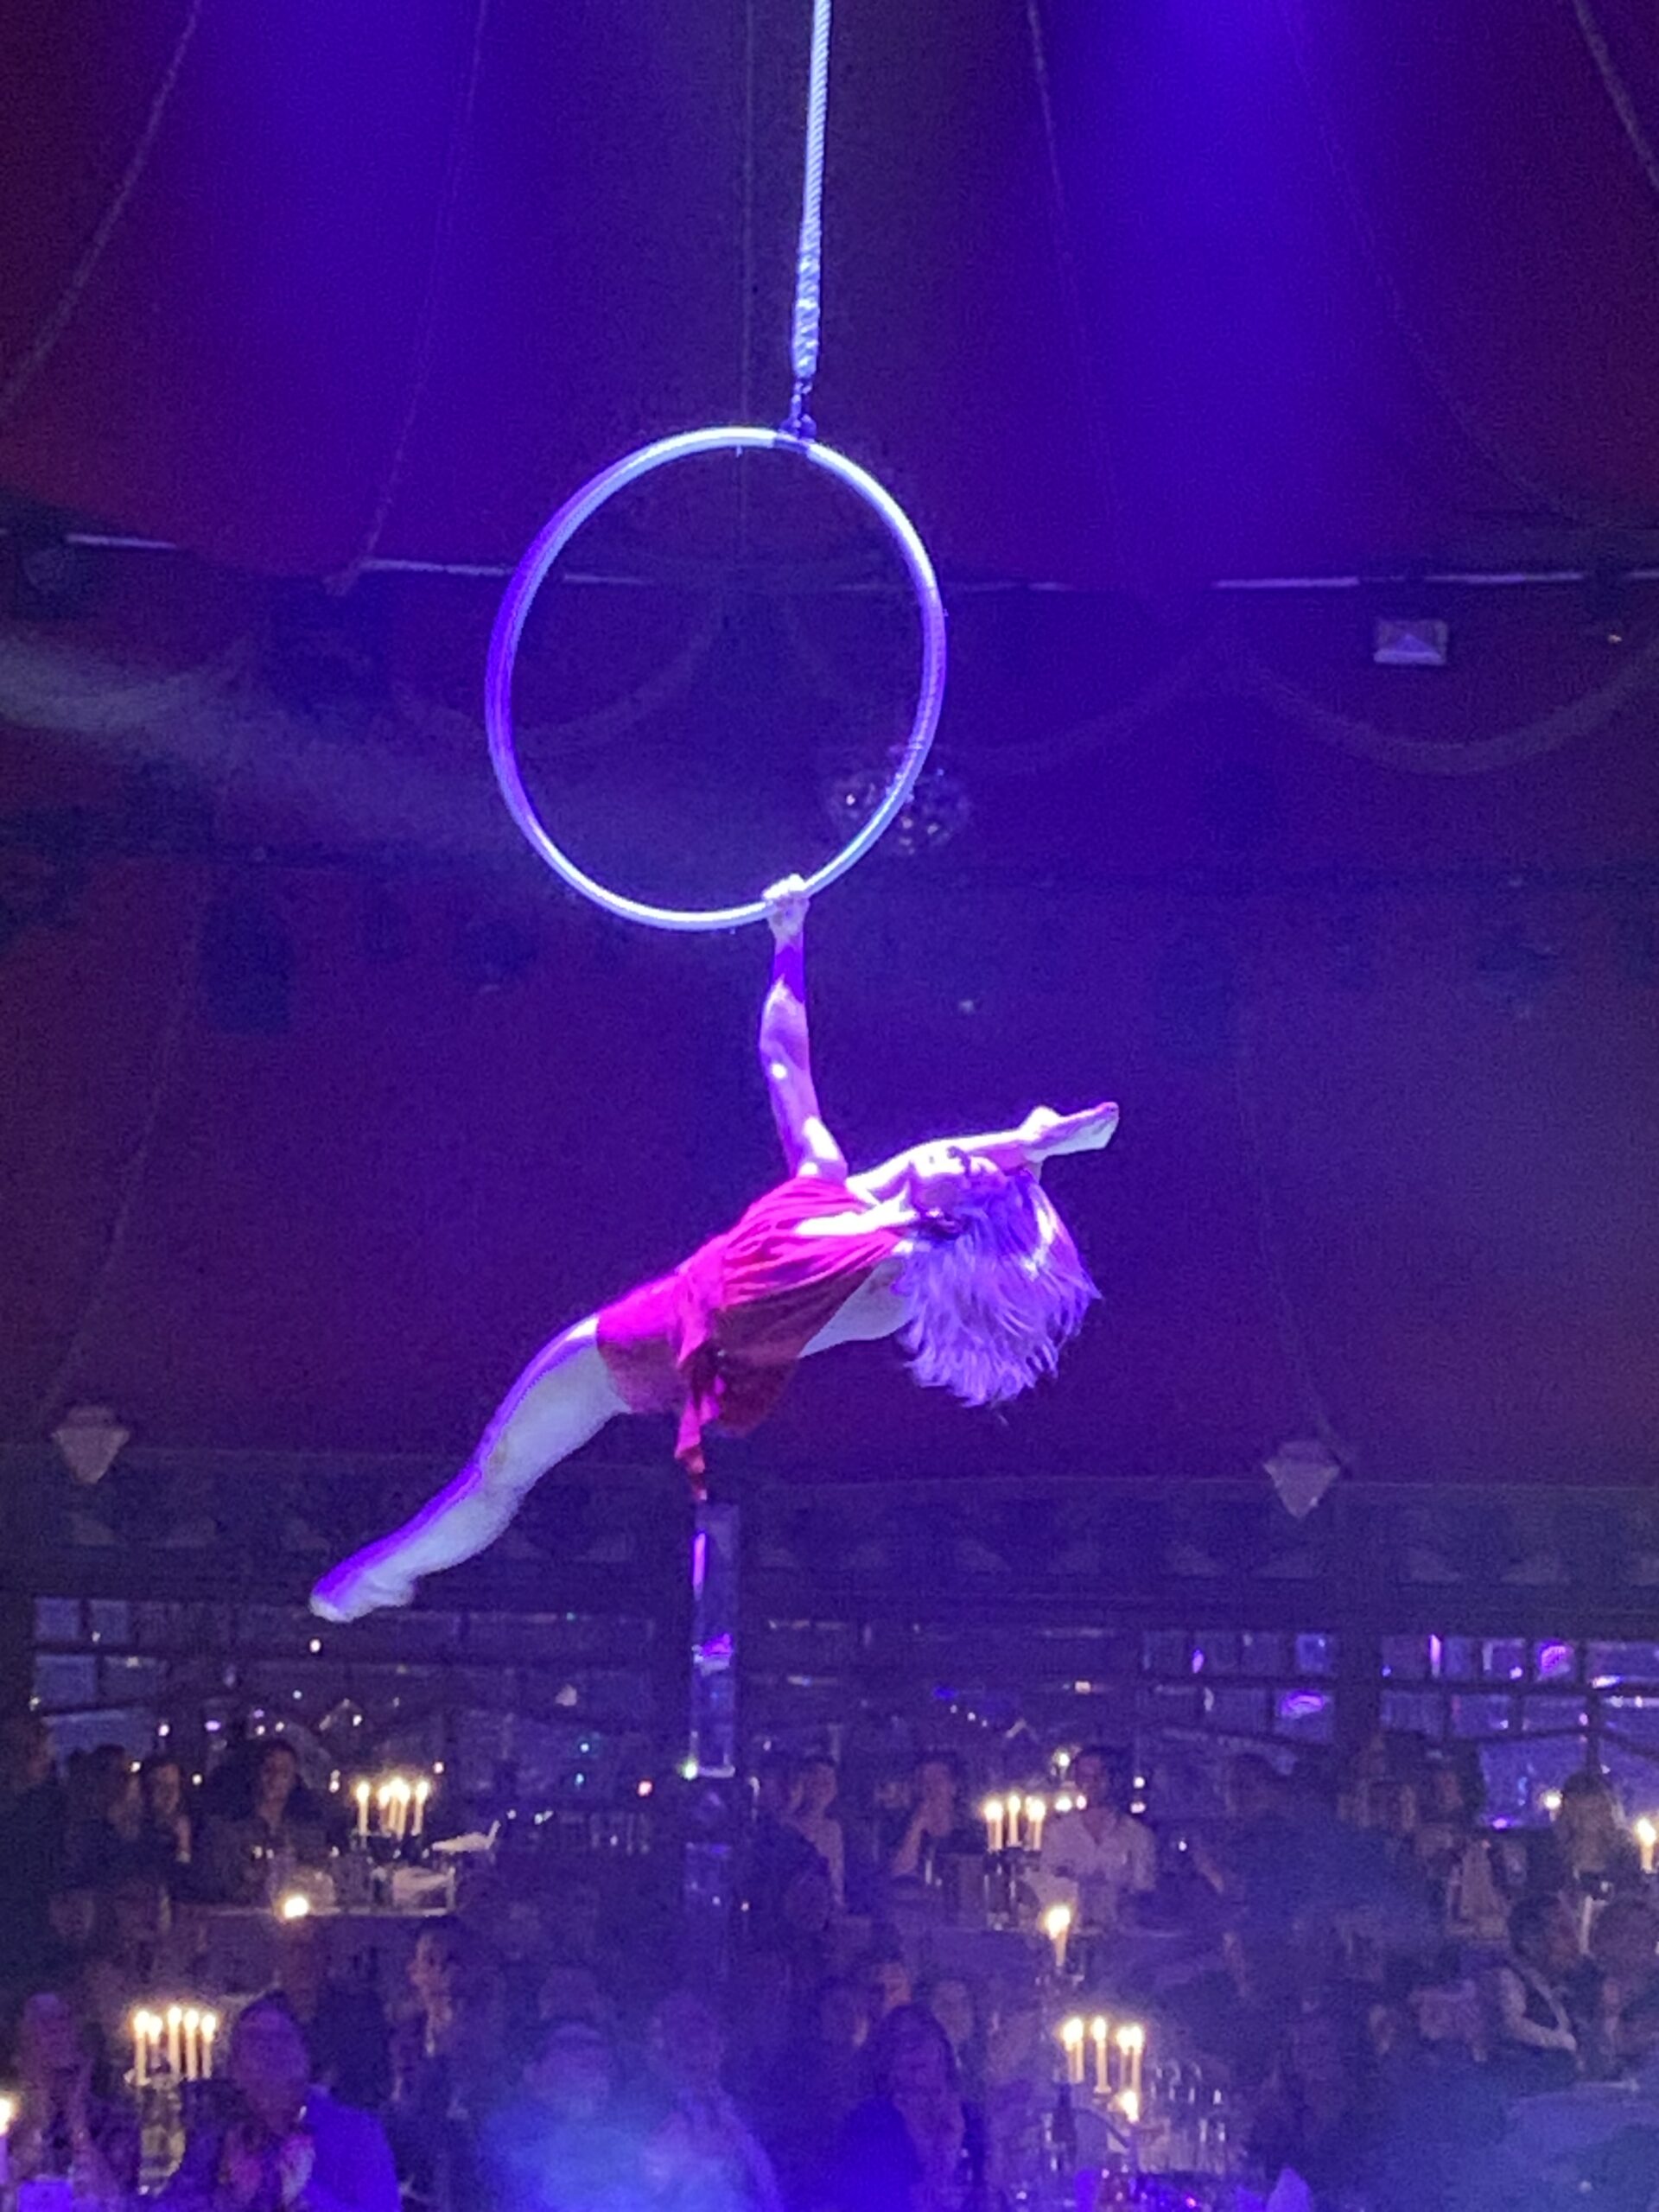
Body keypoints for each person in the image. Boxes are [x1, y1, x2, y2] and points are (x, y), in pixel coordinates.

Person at [312, 880, 1115, 1620]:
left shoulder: (892, 1276)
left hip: (642, 1356)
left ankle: (382, 1576)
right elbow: (784, 1060)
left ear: (955, 1221)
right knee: (495, 1474)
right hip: (640, 1328)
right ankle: (390, 1575)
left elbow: (940, 1189)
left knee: (498, 1475)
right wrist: (788, 941)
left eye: (968, 1171)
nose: (955, 1152)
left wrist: (1034, 1149)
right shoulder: (829, 1184)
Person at [157, 1993, 399, 2212]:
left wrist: (304, 2194)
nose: (269, 2051)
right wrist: (232, 2198)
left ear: (305, 2057)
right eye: (255, 2039)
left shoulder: (354, 2133)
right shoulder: (217, 2139)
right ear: (235, 2068)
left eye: (281, 2038)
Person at [827, 2004, 989, 2212]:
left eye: (919, 2037)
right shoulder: (868, 2124)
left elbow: (991, 2192)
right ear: (886, 2062)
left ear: (942, 2048)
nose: (911, 2048)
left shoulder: (972, 2119)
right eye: (898, 2042)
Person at [639, 1989, 784, 2212]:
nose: (697, 2050)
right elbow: (648, 2193)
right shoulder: (645, 2118)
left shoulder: (749, 2111)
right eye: (684, 2040)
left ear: (721, 2044)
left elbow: (768, 2189)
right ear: (661, 2052)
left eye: (704, 2036)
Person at [481, 2015, 640, 2212]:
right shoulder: (507, 2133)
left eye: (598, 2048)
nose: (590, 2055)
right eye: (572, 2047)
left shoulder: (625, 2139)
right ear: (533, 2072)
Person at [2, 1988, 139, 2208]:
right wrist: (37, 2118)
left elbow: (115, 2197)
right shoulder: (8, 2121)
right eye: (42, 2024)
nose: (56, 2033)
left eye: (63, 2021)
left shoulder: (113, 2119)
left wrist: (78, 2125)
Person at [1038, 1746, 1156, 1933]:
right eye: (1085, 1776)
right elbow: (1045, 1887)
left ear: (1114, 1779)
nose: (1092, 1784)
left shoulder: (1138, 1836)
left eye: (1100, 1776)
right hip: (1069, 1936)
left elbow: (1144, 1894)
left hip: (1120, 1938)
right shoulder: (1058, 1834)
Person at [203, 1741, 327, 1907]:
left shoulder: (305, 1835)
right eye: (269, 1770)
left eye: (284, 1772)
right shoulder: (226, 1832)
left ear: (293, 1781)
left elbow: (319, 1877)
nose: (275, 1778)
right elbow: (217, 1889)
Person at [1485, 1893, 1582, 2097]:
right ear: (1530, 1941)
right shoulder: (1507, 1978)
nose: (1575, 1943)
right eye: (1563, 1932)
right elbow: (1510, 2027)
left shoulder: (1567, 1987)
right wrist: (1563, 2043)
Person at [785, 1754, 847, 1910]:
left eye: (829, 1781)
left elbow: (837, 1879)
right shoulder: (786, 1828)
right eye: (817, 1781)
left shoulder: (834, 1830)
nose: (824, 1787)